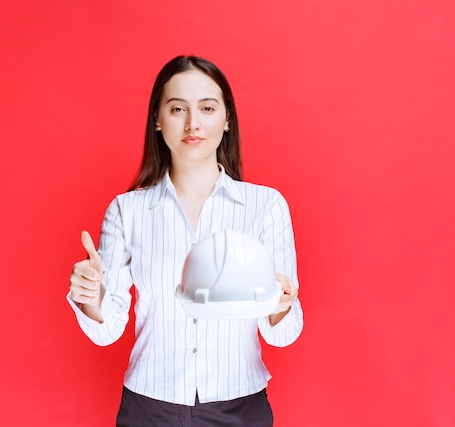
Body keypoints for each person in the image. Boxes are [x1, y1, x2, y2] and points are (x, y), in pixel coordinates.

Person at [68, 55, 303, 426]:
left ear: (227, 119)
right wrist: (91, 294)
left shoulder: (266, 206)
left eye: (207, 108)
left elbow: (283, 334)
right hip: (149, 407)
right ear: (157, 120)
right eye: (177, 108)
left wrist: (281, 301)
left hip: (239, 408)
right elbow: (107, 329)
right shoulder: (126, 211)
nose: (193, 123)